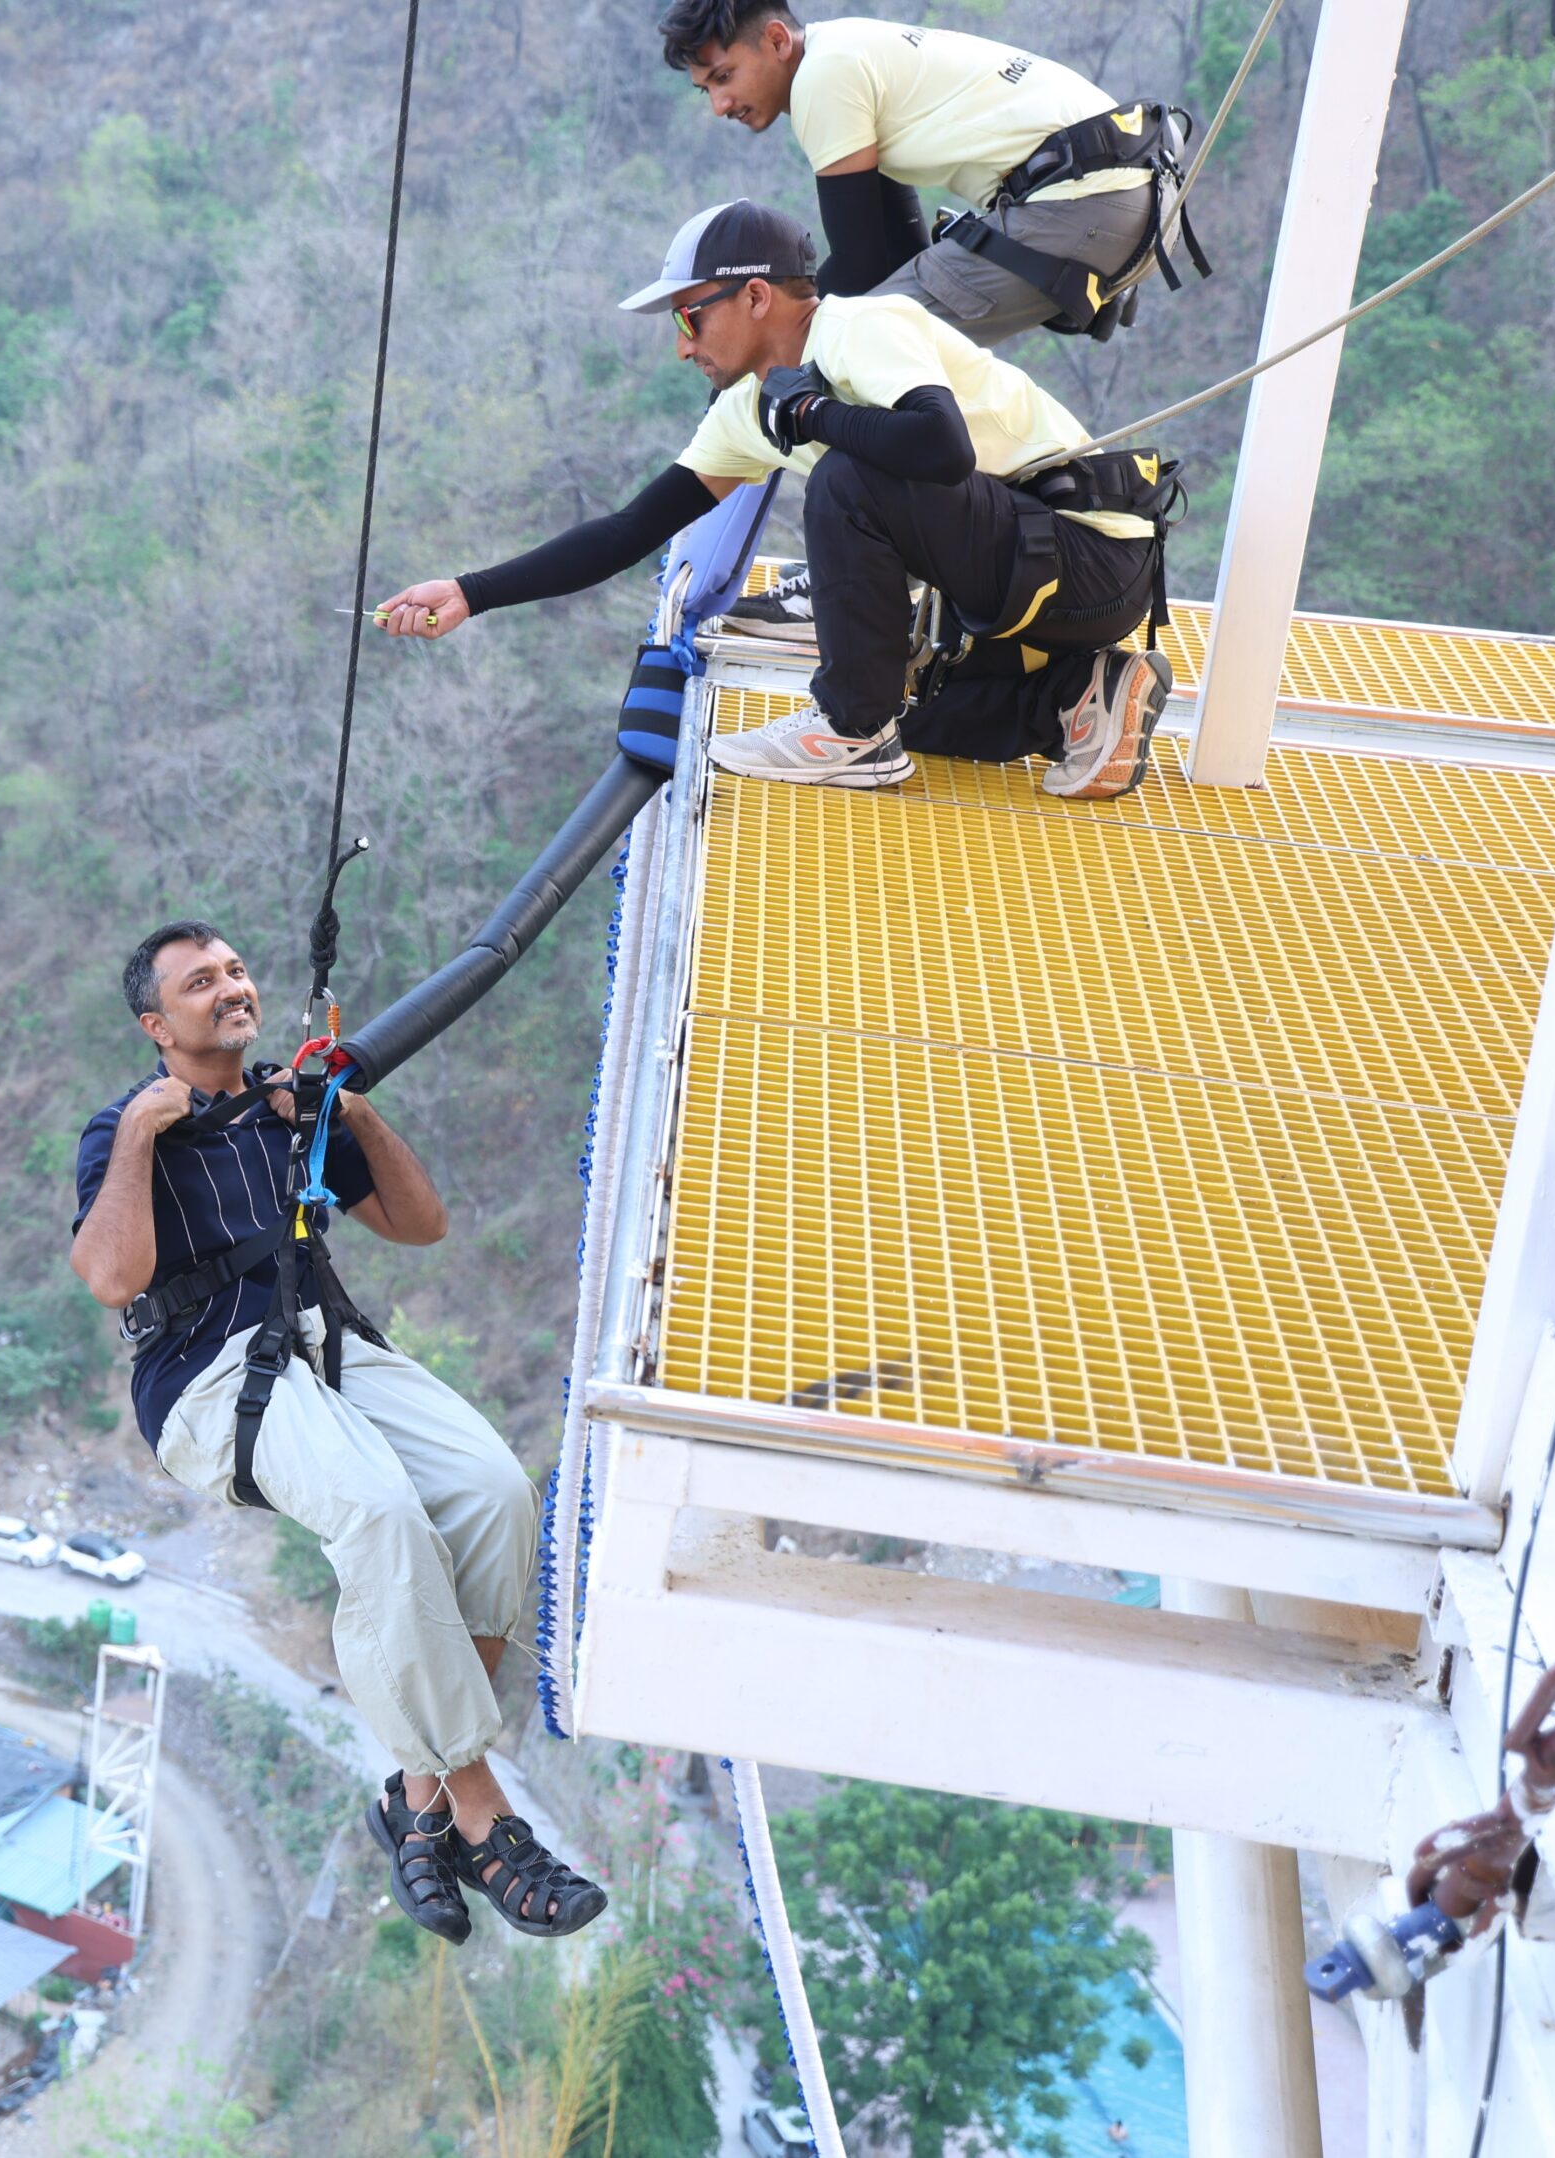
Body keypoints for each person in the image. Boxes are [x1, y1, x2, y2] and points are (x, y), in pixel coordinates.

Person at [71, 921, 608, 1945]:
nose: (229, 987)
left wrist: (349, 1108)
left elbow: (419, 1224)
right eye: (199, 983)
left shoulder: (293, 1108)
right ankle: (483, 1817)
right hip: (208, 1379)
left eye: (233, 970)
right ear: (156, 1023)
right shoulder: (121, 1128)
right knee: (379, 1516)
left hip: (320, 1341)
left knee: (493, 1491)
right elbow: (109, 1279)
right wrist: (144, 1131)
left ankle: (417, 1796)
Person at [376, 199, 1176, 797]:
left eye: (691, 315)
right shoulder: (748, 410)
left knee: (844, 476)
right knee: (919, 708)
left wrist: (816, 414)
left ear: (757, 297)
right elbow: (628, 531)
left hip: (1092, 555)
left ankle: (851, 732)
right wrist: (471, 594)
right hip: (1037, 586)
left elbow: (941, 447)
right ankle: (1084, 694)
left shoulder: (858, 328)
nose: (683, 344)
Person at [658, 2, 1195, 347]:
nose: (720, 104)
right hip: (1142, 196)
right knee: (875, 331)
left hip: (1088, 203)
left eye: (725, 76)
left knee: (858, 345)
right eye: (706, 88)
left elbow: (858, 261)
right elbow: (894, 261)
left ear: (777, 40)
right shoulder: (850, 47)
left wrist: (756, 346)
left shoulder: (823, 75)